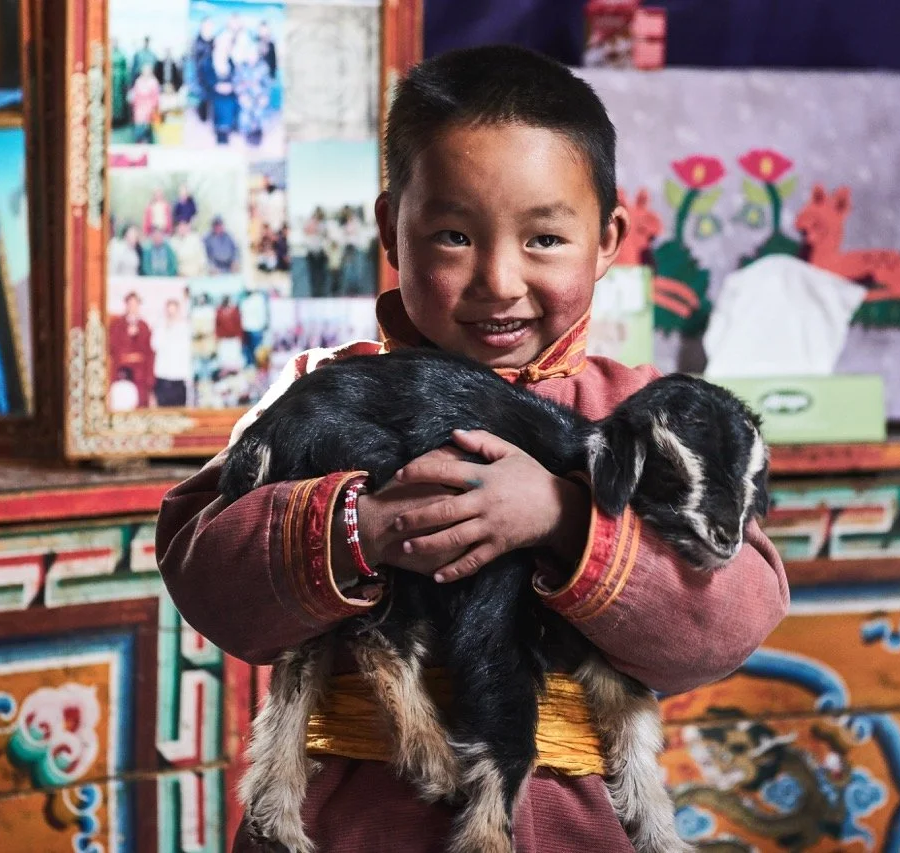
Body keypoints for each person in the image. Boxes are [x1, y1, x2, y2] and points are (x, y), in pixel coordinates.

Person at [154, 44, 788, 853]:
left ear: (608, 238)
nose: (497, 279)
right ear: (392, 229)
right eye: (453, 235)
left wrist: (565, 519)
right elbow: (206, 574)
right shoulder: (321, 392)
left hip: (573, 828)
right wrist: (363, 526)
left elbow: (729, 618)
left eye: (544, 240)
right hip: (350, 823)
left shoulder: (642, 416)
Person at [108, 291, 155, 407]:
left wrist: (150, 380)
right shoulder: (117, 324)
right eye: (130, 304)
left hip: (140, 375)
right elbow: (113, 348)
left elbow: (149, 352)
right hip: (121, 373)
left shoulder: (144, 326)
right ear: (126, 305)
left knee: (140, 404)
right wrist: (127, 335)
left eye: (135, 304)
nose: (132, 307)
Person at [152, 298, 191, 406]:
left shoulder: (185, 328)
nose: (171, 315)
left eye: (174, 312)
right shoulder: (159, 326)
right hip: (163, 377)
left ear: (178, 311)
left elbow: (187, 352)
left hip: (179, 377)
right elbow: (155, 345)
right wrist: (166, 328)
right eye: (169, 312)